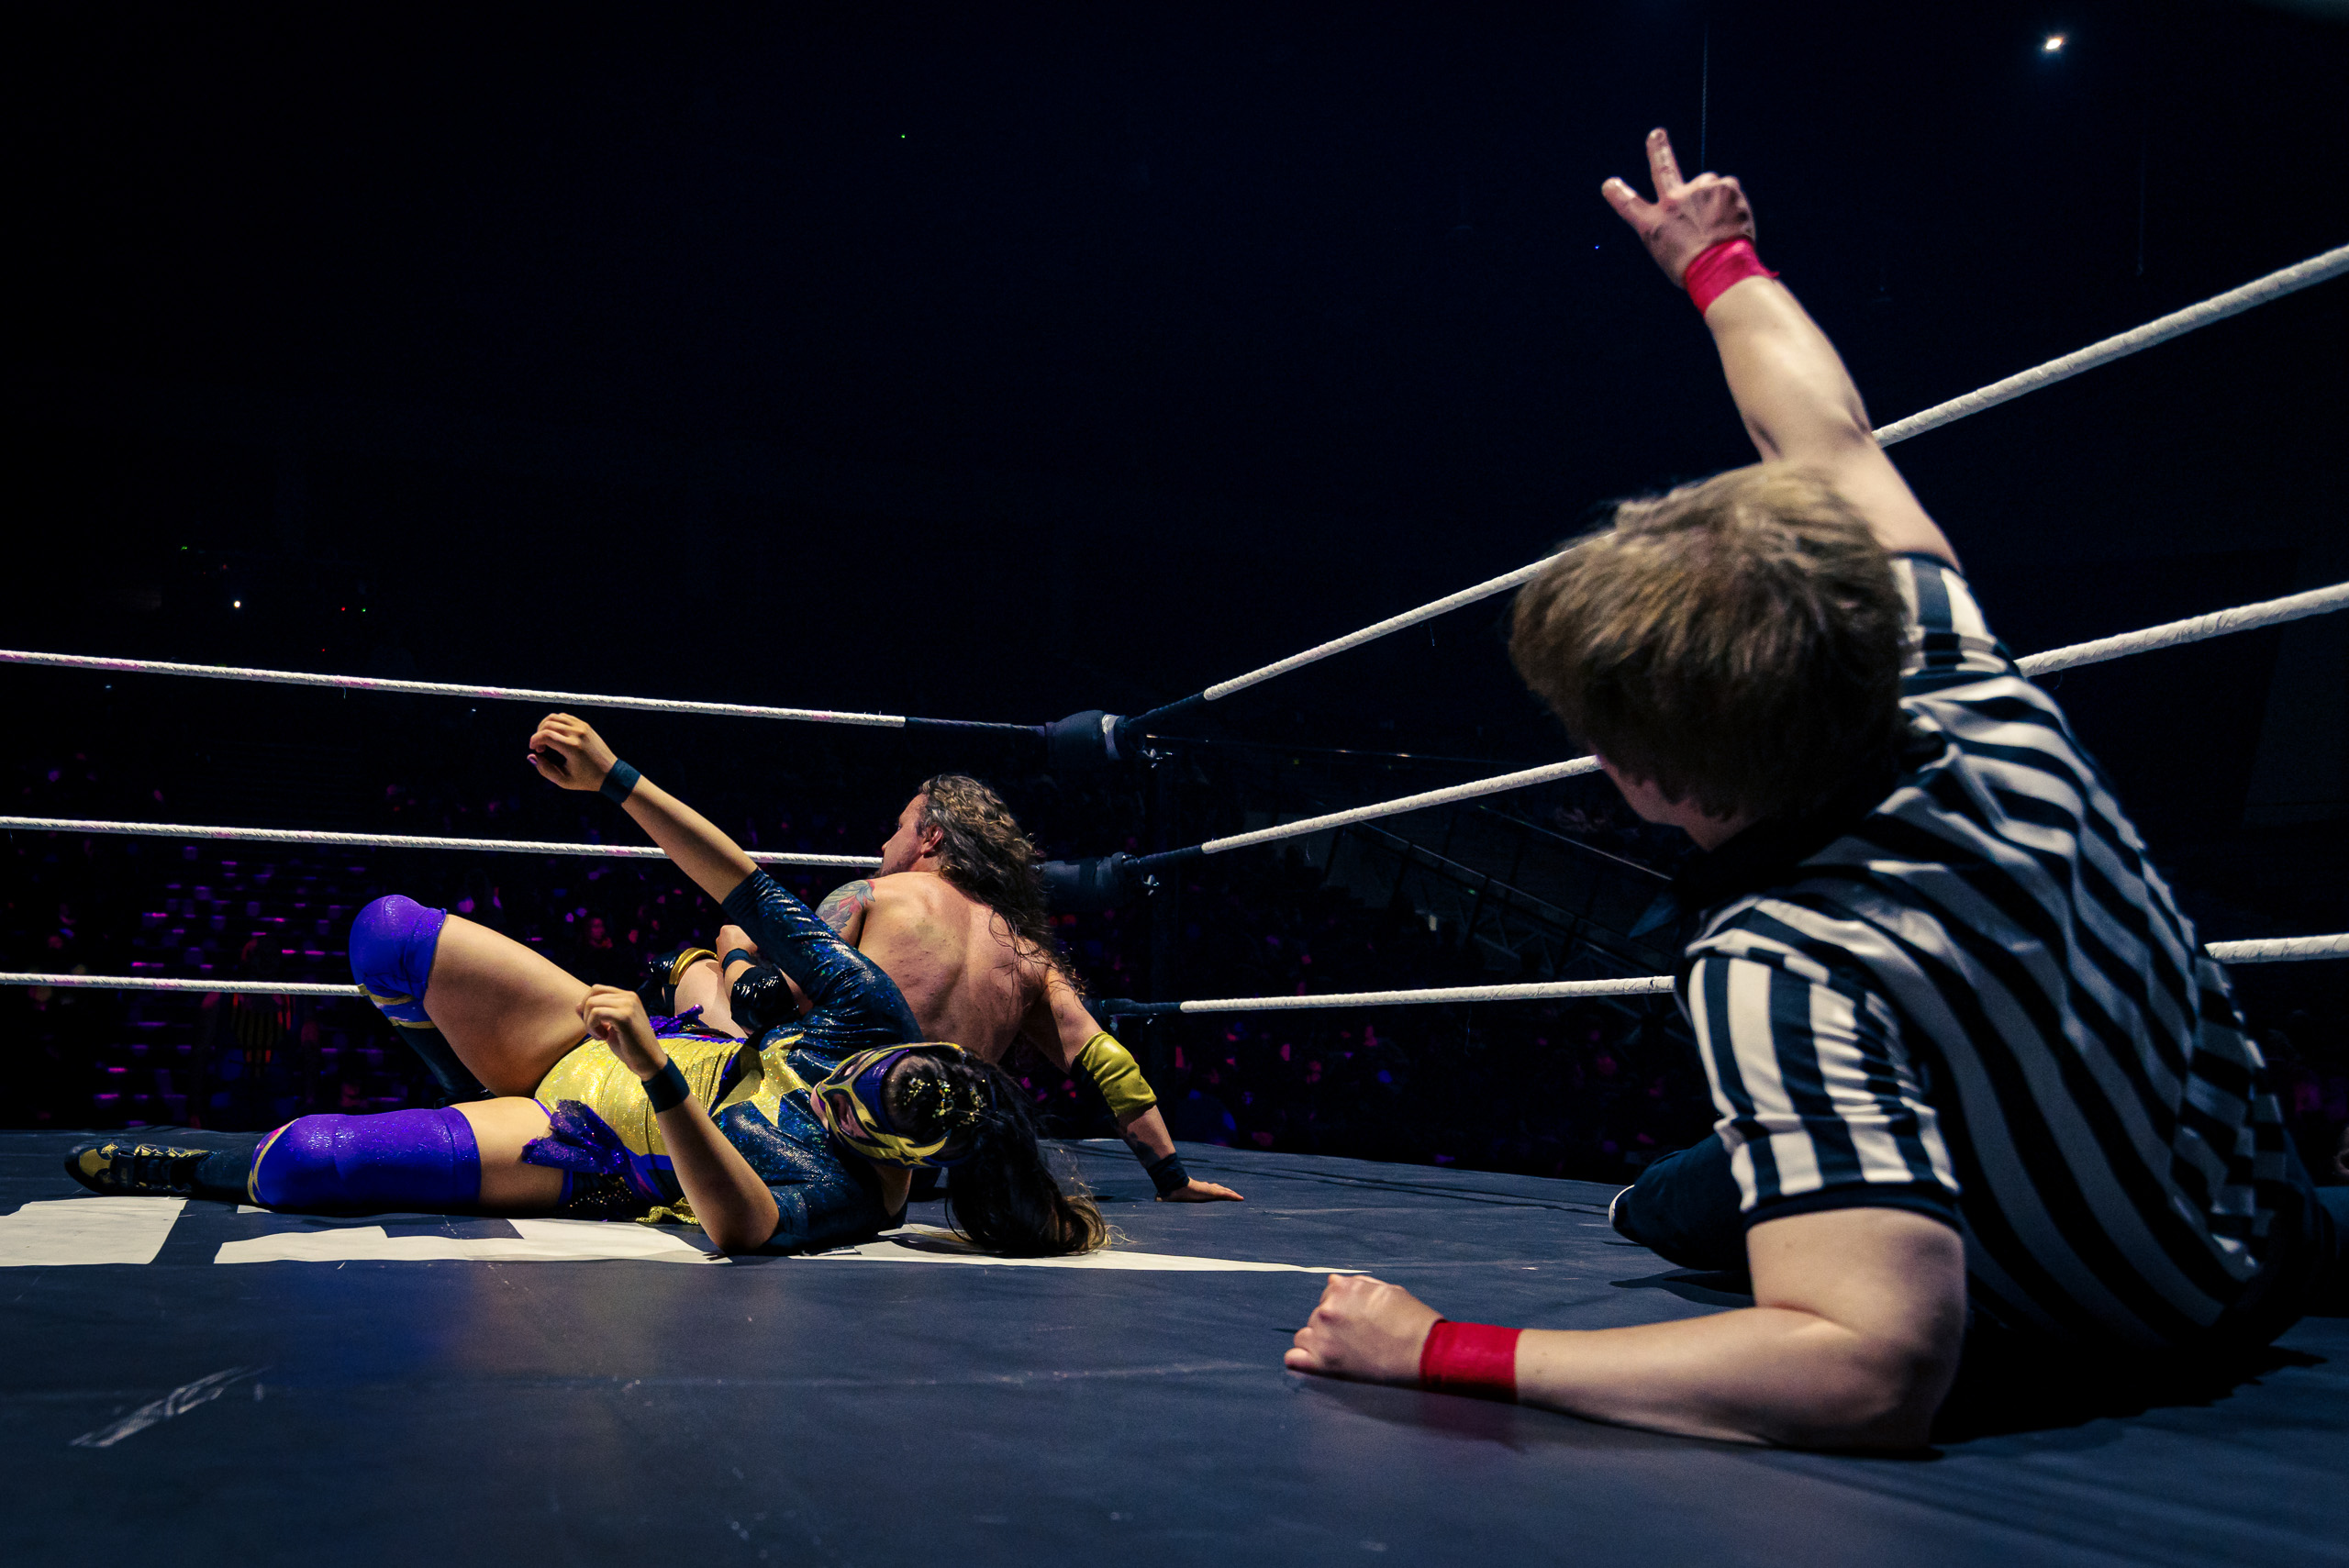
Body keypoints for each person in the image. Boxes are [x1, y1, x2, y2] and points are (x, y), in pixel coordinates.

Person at [1285, 128, 2344, 1447]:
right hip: (2271, 1231)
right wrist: (1719, 263)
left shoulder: (1779, 960)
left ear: (1638, 779)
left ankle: (1673, 1198)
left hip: (2120, 1328)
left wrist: (1437, 1347)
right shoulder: (1962, 677)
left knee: (1712, 1194)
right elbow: (1826, 435)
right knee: (1722, 1178)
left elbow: (1873, 1365)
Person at [67, 720, 1108, 1257]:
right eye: (864, 1073)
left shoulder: (854, 1197)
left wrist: (657, 1076)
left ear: (897, 1155)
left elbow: (741, 1227)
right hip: (595, 1035)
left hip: (589, 1135)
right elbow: (745, 884)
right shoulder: (871, 1010)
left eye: (849, 1112)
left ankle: (190, 1166)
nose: (835, 1091)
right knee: (385, 931)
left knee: (307, 1163)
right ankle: (460, 1088)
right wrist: (616, 778)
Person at [696, 764, 1243, 1205]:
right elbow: (1109, 1066)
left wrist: (735, 951)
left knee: (694, 973)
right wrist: (1171, 1177)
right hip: (924, 1163)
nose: (884, 843)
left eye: (899, 827)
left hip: (829, 1140)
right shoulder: (1026, 951)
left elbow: (766, 1008)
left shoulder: (870, 897)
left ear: (931, 837)